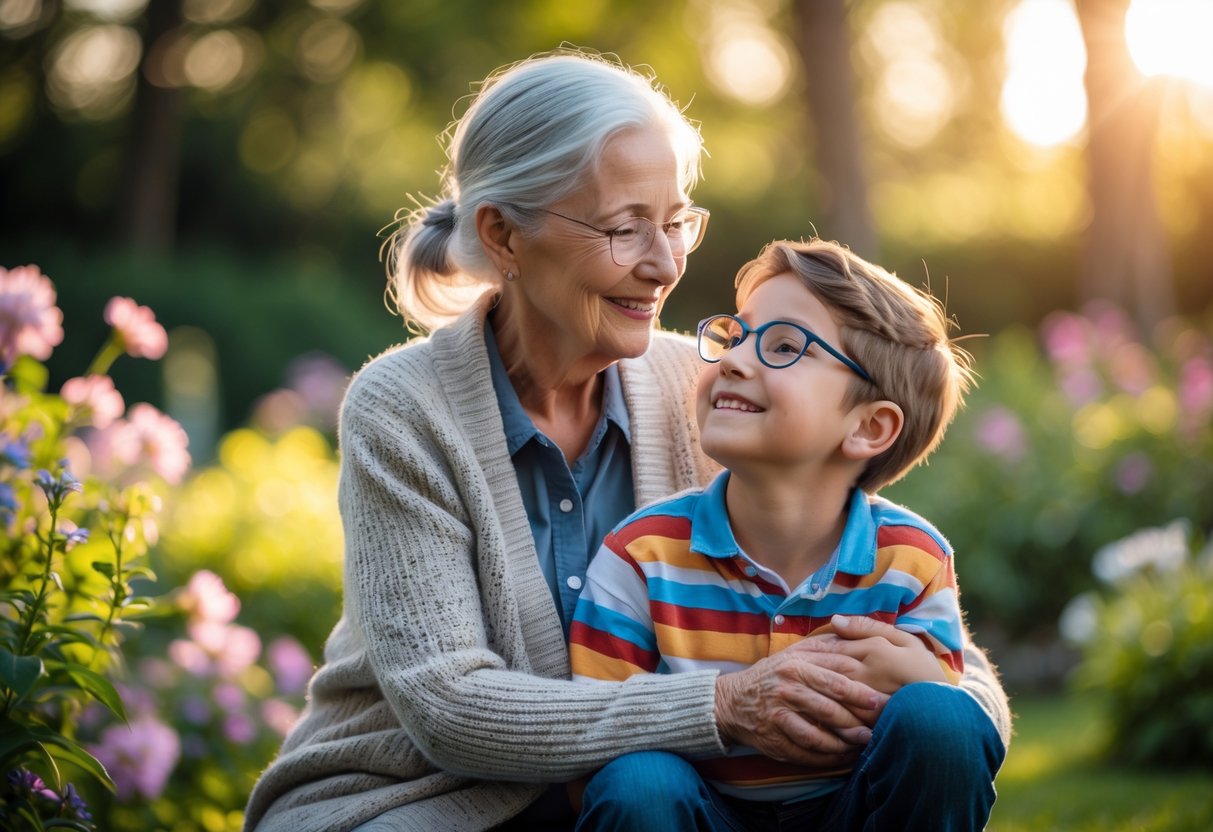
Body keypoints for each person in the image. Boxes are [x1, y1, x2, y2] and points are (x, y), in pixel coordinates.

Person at [243, 49, 1010, 832]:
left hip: (657, 800)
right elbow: (449, 708)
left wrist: (951, 699)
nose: (665, 263)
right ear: (504, 236)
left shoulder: (710, 390)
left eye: (676, 222)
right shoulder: (404, 407)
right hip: (427, 798)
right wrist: (723, 704)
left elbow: (883, 598)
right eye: (624, 228)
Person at [569, 238, 1002, 830]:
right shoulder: (641, 556)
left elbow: (945, 727)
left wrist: (927, 681)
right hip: (702, 815)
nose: (733, 359)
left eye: (783, 346)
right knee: (636, 784)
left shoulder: (912, 560)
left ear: (870, 427)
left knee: (940, 719)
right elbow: (591, 742)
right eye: (736, 335)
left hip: (857, 811)